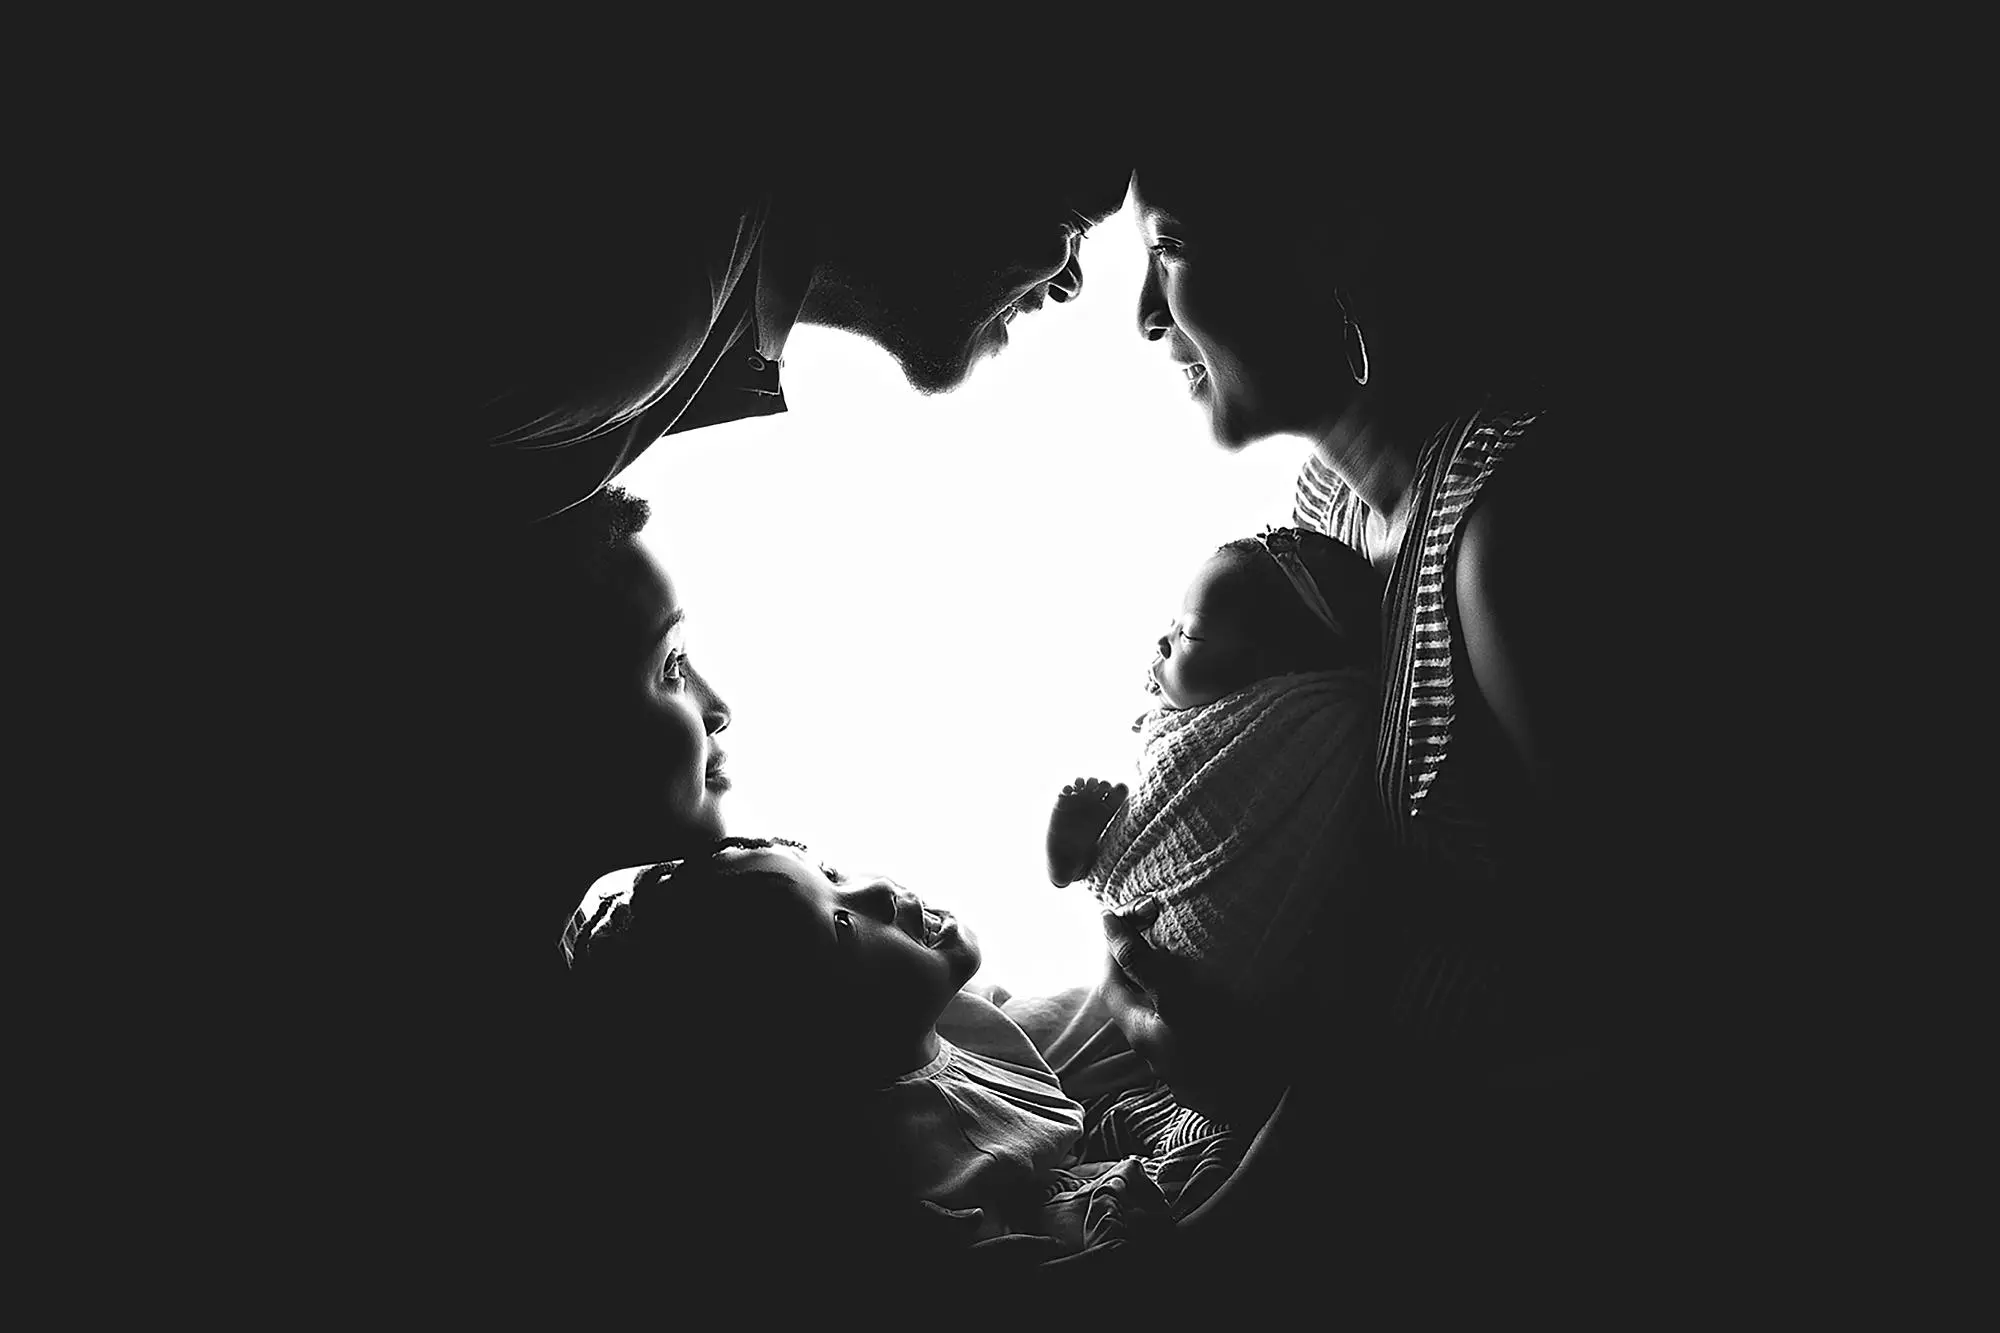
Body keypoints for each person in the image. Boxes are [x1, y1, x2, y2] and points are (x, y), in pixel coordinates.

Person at [565, 838, 1249, 1288]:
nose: (877, 893)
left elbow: (1070, 1037)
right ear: (810, 1043)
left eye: (831, 873)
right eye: (842, 928)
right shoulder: (898, 1190)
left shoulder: (952, 1018)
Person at [1047, 527, 1384, 1015]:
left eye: (1189, 633)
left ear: (1278, 672)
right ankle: (1082, 863)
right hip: (1141, 959)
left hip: (1230, 995)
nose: (1163, 643)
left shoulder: (1305, 727)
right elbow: (1160, 831)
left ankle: (1083, 864)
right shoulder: (1184, 732)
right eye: (1172, 625)